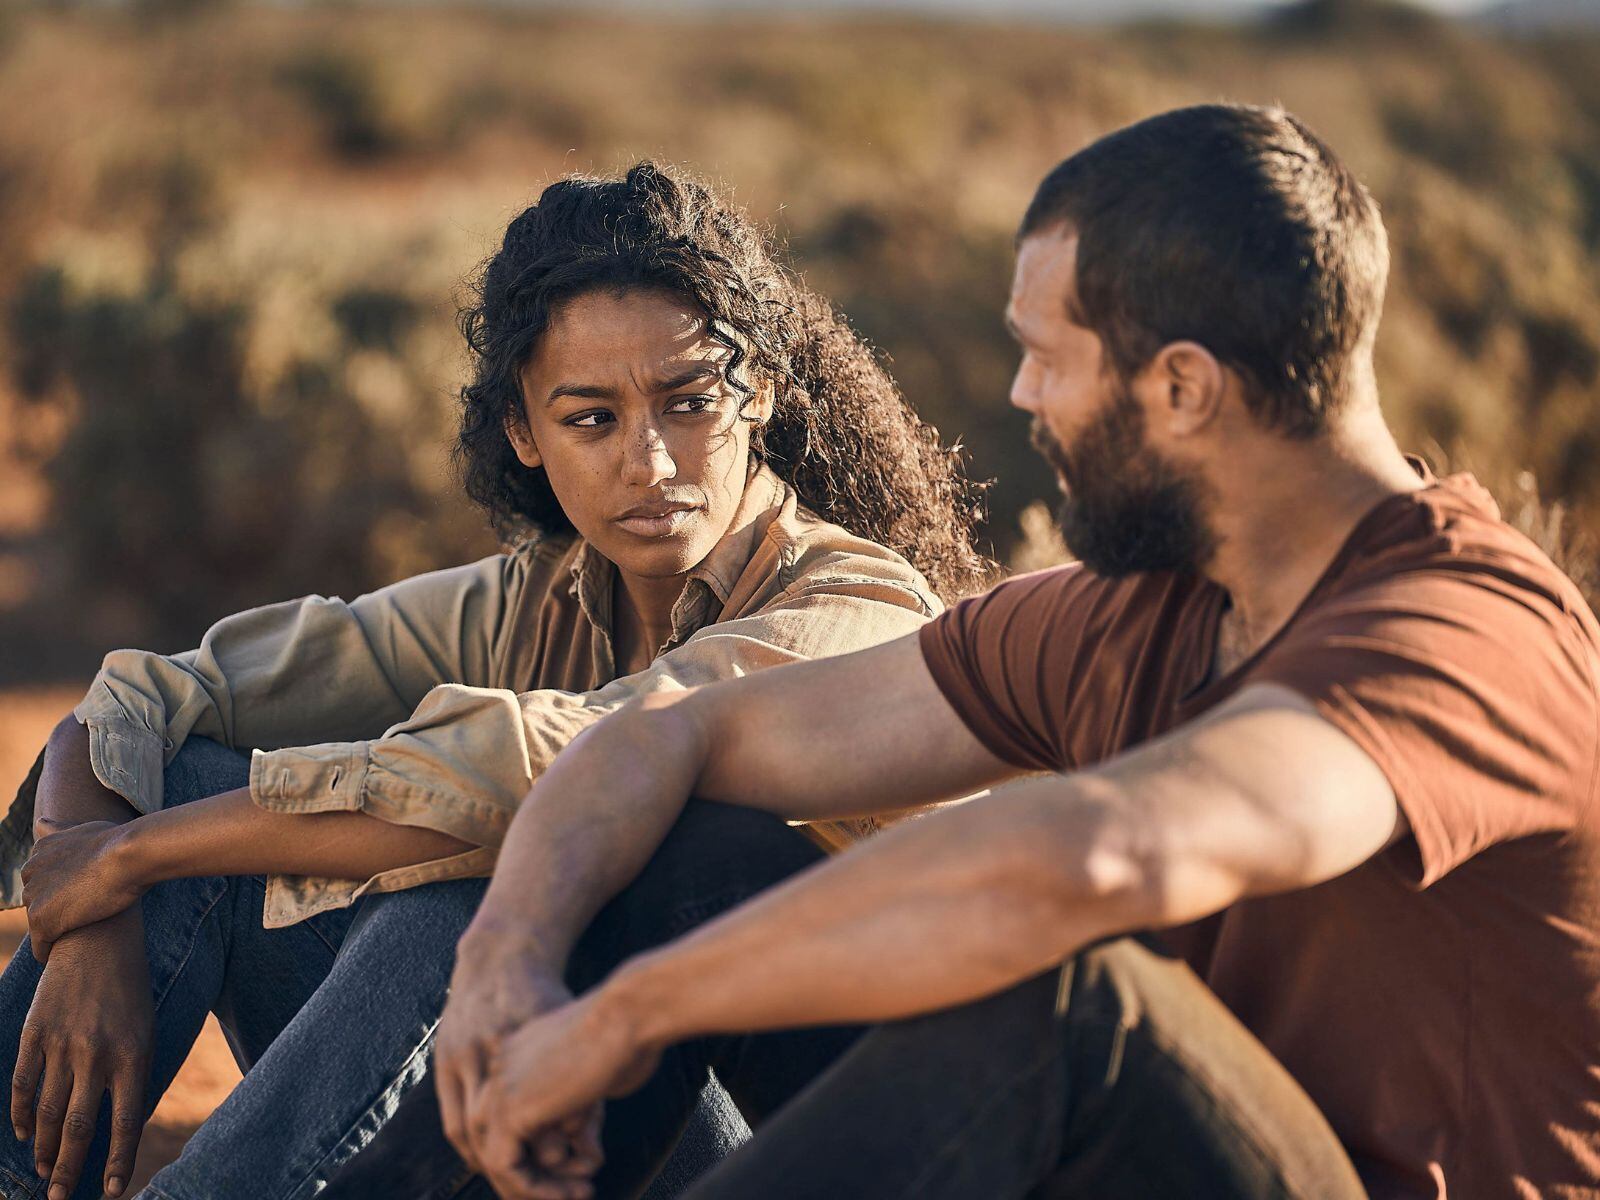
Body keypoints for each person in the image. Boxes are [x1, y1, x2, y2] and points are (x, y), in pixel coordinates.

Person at [337, 105, 1600, 1200]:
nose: (1019, 398)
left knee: (1072, 1007)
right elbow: (676, 731)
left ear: (1181, 390)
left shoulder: (1464, 635)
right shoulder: (1133, 612)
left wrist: (631, 1013)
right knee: (696, 849)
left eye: (1048, 359)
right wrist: (511, 960)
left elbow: (1104, 854)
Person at [0, 161, 990, 1200]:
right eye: (590, 419)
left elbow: (548, 770)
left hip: (805, 1154)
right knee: (199, 783)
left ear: (764, 397)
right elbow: (151, 698)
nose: (649, 463)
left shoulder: (858, 610)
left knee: (476, 874)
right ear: (524, 431)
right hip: (559, 1115)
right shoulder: (538, 598)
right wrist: (93, 909)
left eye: (690, 401)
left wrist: (132, 856)